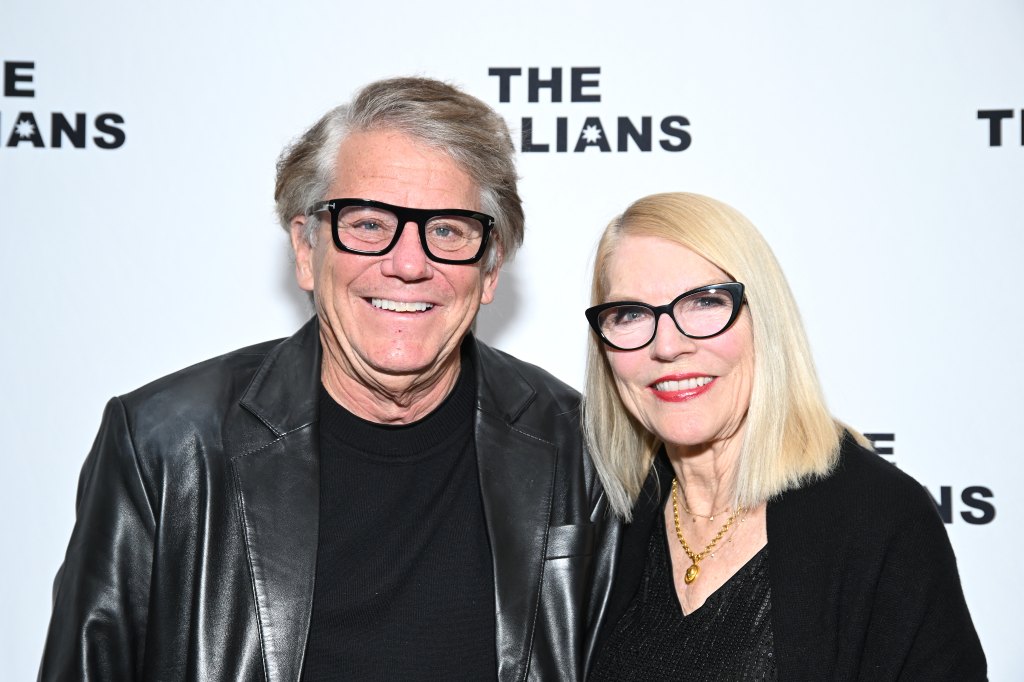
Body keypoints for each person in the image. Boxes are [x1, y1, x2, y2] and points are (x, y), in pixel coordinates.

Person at [39, 77, 613, 681]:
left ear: (490, 269)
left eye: (447, 229)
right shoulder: (165, 446)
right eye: (367, 224)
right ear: (306, 249)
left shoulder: (577, 448)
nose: (409, 264)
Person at [582, 192, 986, 680]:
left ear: (765, 321)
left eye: (705, 302)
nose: (667, 346)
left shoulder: (880, 519)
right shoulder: (602, 518)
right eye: (629, 314)